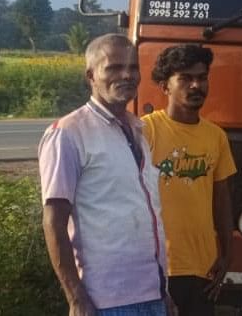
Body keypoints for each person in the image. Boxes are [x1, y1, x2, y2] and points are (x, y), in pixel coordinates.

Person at [39, 34, 172, 316]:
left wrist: (164, 293)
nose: (126, 75)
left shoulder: (138, 130)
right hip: (105, 301)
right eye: (113, 68)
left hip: (153, 294)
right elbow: (54, 221)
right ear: (91, 75)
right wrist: (75, 298)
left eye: (133, 67)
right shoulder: (68, 134)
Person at [143, 44, 237, 316]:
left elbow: (221, 199)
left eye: (202, 77)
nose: (196, 85)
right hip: (158, 266)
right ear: (165, 86)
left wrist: (227, 253)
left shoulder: (216, 137)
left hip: (203, 266)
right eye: (185, 78)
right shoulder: (146, 131)